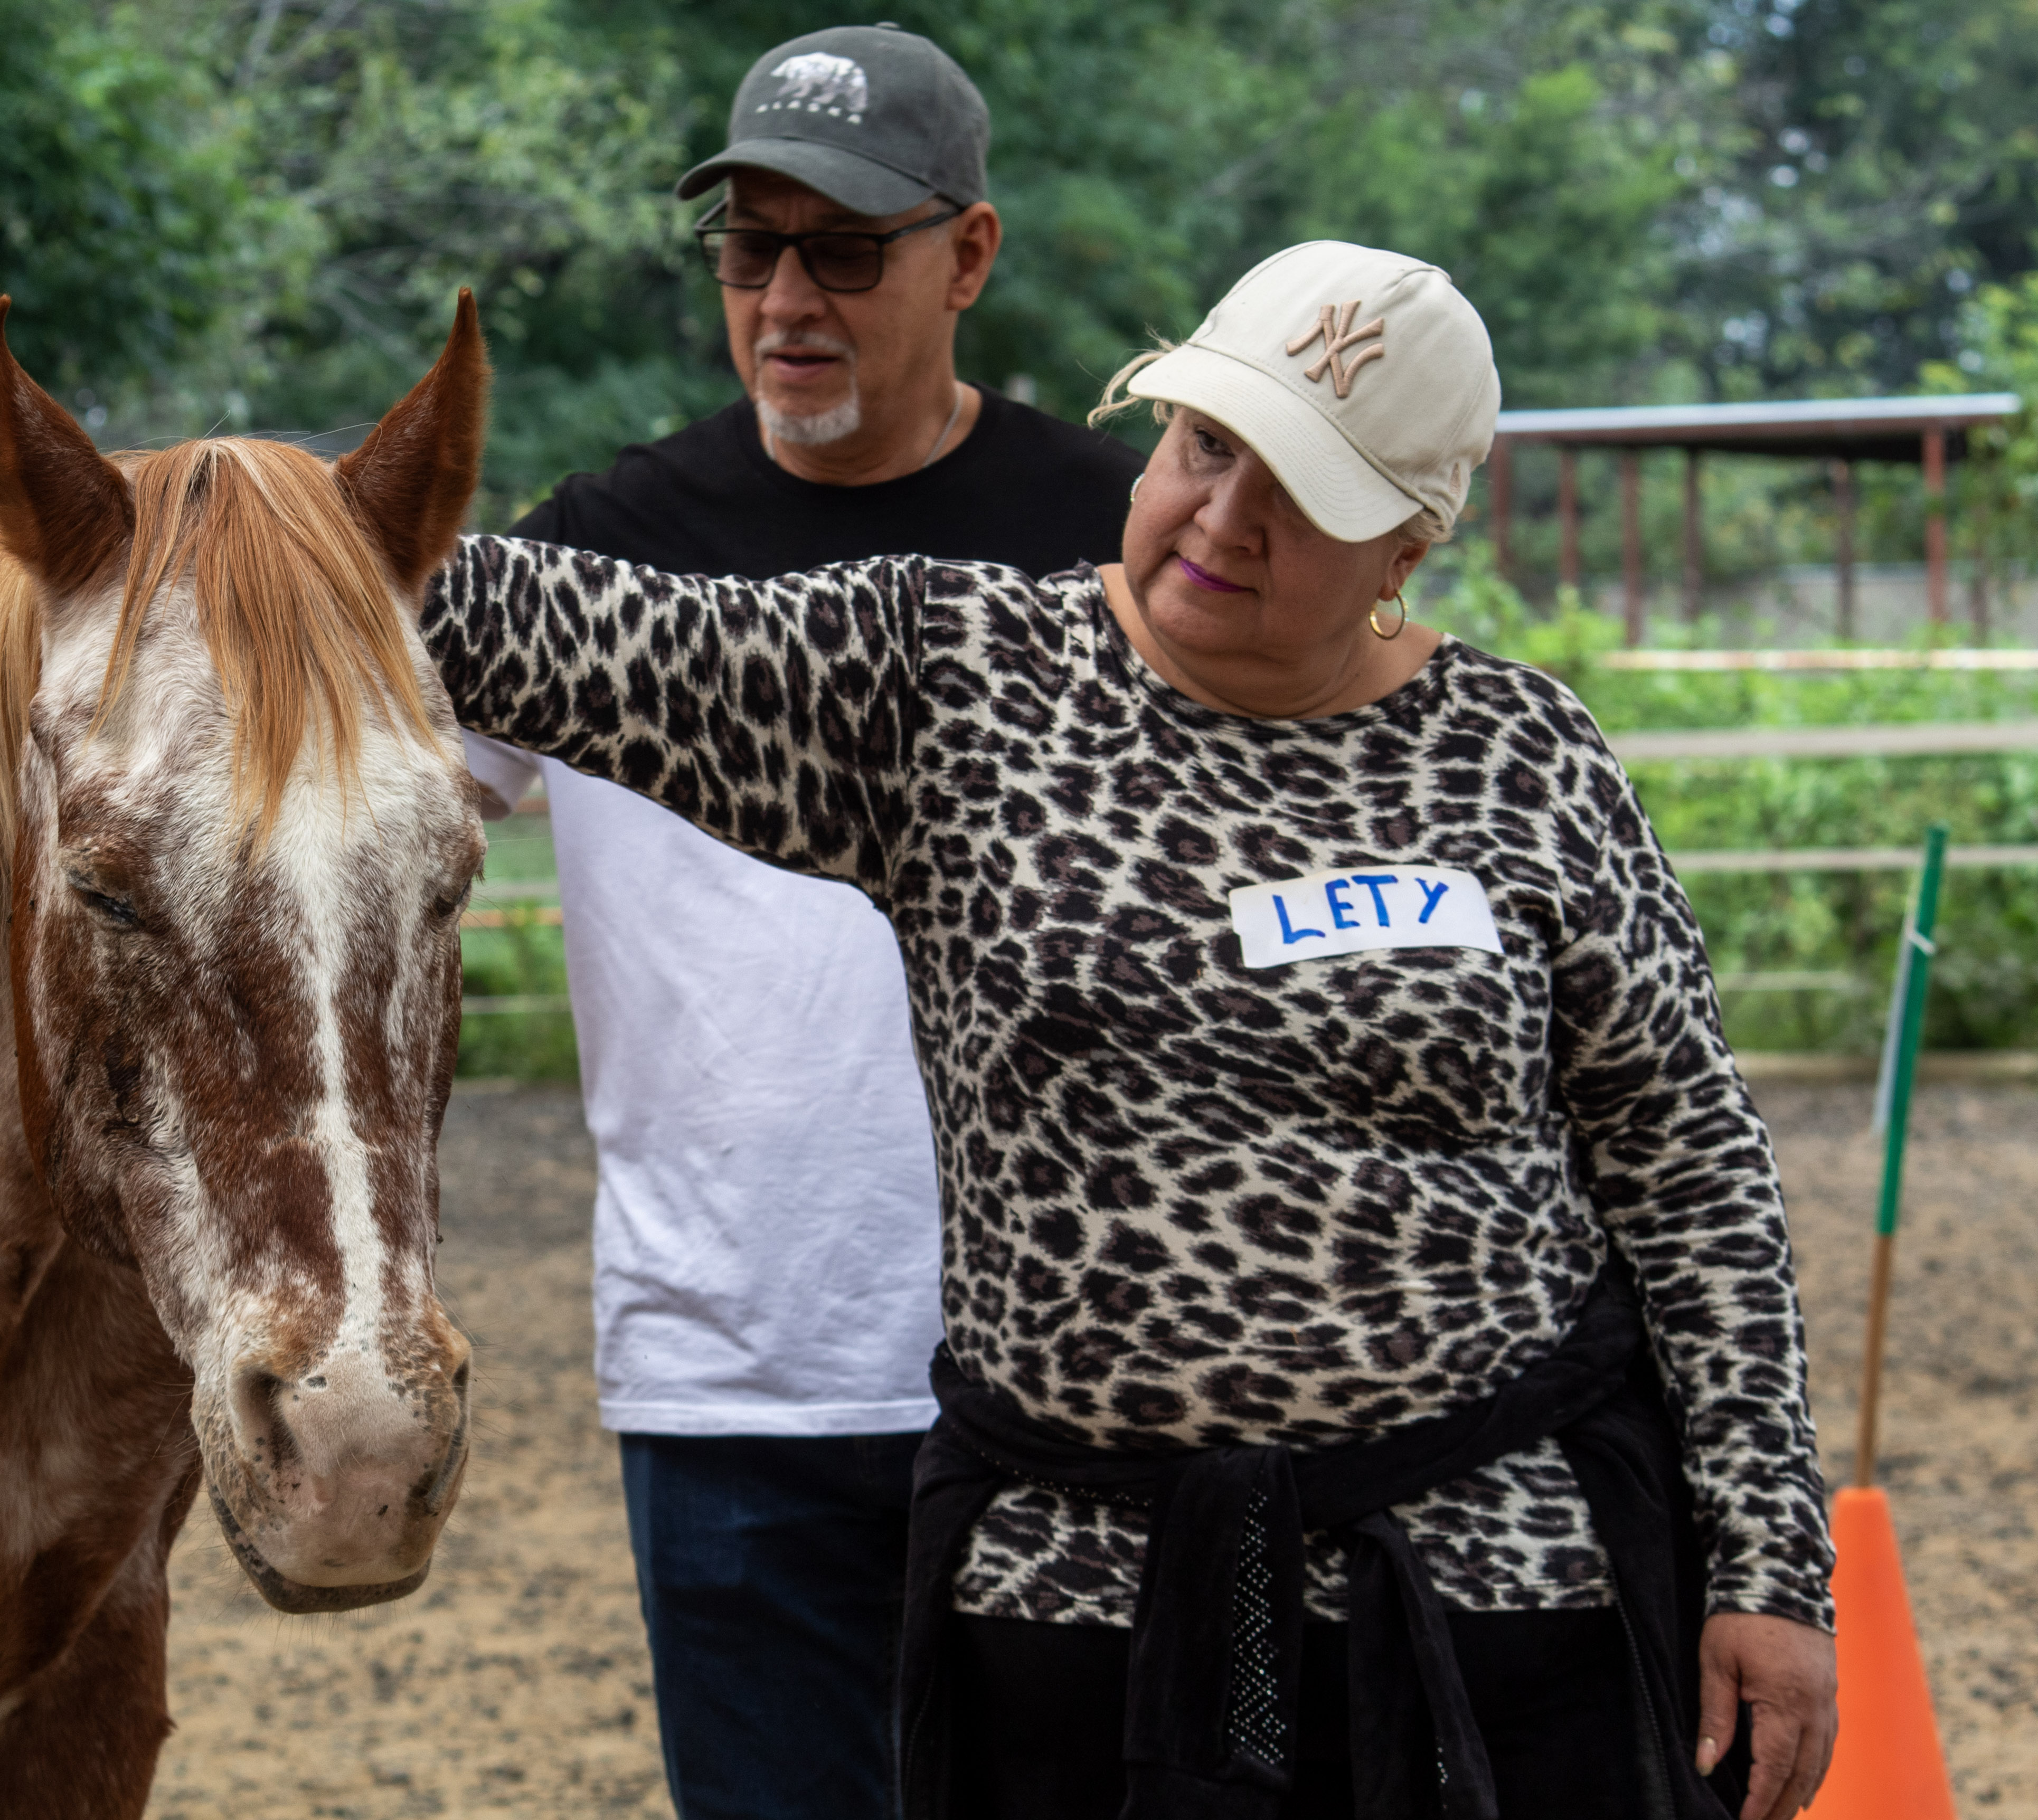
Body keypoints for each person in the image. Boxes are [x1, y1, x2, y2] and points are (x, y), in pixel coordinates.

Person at [423, 239, 1837, 1820]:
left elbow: (1688, 1167)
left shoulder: (1521, 748)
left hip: (1498, 1589)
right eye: (1203, 446)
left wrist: (1770, 1566)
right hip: (1076, 1605)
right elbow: (505, 619)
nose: (1224, 519)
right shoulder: (951, 683)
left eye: (1300, 495)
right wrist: (156, 515)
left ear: (1411, 540)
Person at [460, 24, 1140, 1820]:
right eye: (749, 250)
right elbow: (349, 814)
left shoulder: (1114, 551)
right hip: (731, 1370)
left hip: (1072, 1366)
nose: (785, 301)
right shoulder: (595, 554)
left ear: (967, 257)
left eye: (845, 251)